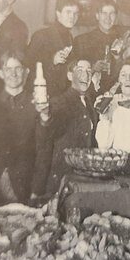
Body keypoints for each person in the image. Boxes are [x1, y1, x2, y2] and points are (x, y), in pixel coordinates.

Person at [31, 59, 97, 199]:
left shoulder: (89, 103)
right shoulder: (60, 102)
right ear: (69, 75)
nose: (85, 75)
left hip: (83, 180)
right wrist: (45, 116)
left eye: (89, 71)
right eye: (80, 70)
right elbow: (46, 132)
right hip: (61, 182)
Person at [0, 50, 50, 204]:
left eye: (18, 68)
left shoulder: (37, 104)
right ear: (1, 73)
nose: (13, 74)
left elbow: (43, 148)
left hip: (24, 184)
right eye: (8, 69)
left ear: (26, 72)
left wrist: (37, 188)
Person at [27, 0, 80, 97]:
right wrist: (52, 60)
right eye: (68, 12)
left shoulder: (69, 36)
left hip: (61, 94)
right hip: (41, 92)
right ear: (58, 14)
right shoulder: (41, 35)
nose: (72, 17)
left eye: (76, 13)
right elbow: (28, 62)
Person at [72, 0, 126, 91]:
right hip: (89, 92)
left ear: (116, 17)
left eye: (112, 14)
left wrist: (118, 59)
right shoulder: (81, 40)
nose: (108, 18)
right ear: (97, 16)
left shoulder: (122, 40)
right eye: (104, 13)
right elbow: (74, 75)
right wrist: (93, 68)